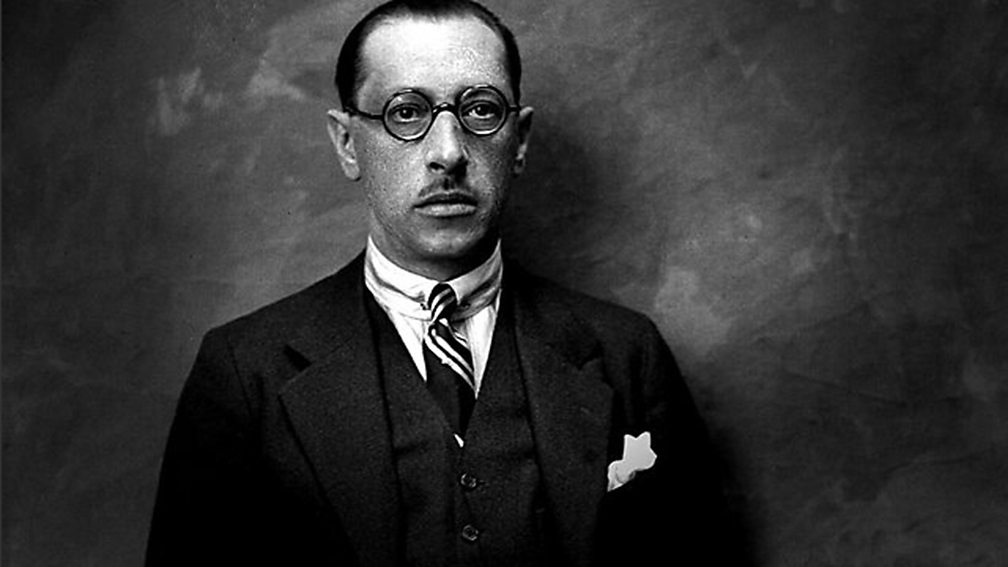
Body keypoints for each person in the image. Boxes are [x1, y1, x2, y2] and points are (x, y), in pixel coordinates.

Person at [146, 1, 731, 565]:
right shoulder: (245, 371)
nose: (448, 153)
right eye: (406, 112)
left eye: (480, 109)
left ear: (520, 140)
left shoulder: (628, 355)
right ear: (347, 143)